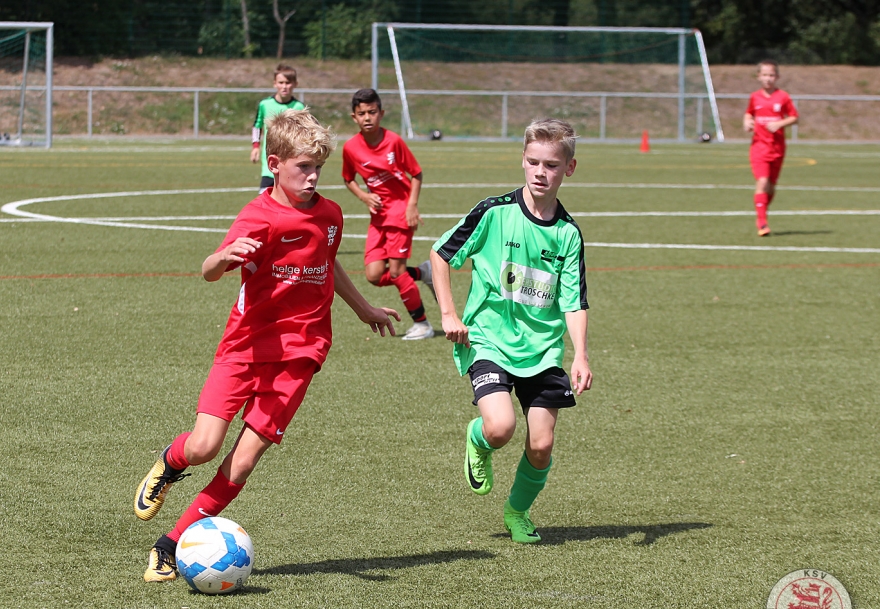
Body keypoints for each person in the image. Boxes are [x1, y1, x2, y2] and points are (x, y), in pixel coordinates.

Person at [134, 109, 400, 582]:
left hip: (301, 354)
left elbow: (328, 261)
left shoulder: (330, 214)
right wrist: (222, 256)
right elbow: (210, 271)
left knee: (241, 464)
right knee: (205, 446)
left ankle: (169, 544)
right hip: (245, 348)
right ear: (274, 164)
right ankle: (171, 463)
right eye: (304, 167)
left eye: (318, 167)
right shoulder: (258, 216)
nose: (313, 176)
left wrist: (363, 308)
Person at [429, 118, 592, 544]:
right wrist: (448, 313)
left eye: (551, 165)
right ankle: (478, 438)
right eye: (533, 162)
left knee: (541, 444)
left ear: (569, 168)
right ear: (522, 160)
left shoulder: (568, 234)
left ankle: (517, 512)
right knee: (500, 428)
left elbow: (573, 301)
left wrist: (580, 354)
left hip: (542, 350)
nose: (540, 172)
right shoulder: (494, 212)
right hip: (488, 339)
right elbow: (440, 255)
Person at [342, 88, 434, 341]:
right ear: (354, 117)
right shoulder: (351, 148)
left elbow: (416, 173)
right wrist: (364, 196)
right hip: (378, 218)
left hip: (400, 213)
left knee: (396, 272)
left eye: (372, 112)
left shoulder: (393, 141)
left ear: (381, 114)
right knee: (373, 275)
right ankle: (423, 273)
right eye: (362, 113)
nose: (367, 117)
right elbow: (348, 179)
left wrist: (412, 205)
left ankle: (422, 324)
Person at [743, 60, 798, 237]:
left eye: (771, 75)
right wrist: (747, 121)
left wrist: (780, 123)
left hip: (777, 147)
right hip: (759, 147)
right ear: (758, 77)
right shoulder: (755, 97)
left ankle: (762, 210)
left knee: (771, 187)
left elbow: (794, 117)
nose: (768, 78)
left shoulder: (783, 96)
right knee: (763, 181)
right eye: (765, 75)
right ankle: (762, 222)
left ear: (777, 77)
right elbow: (749, 112)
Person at [251, 64, 304, 192]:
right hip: (269, 163)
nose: (284, 86)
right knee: (264, 197)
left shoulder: (299, 107)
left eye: (288, 83)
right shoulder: (265, 105)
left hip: (290, 161)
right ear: (275, 83)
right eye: (281, 82)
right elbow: (257, 126)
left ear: (295, 84)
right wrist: (256, 146)